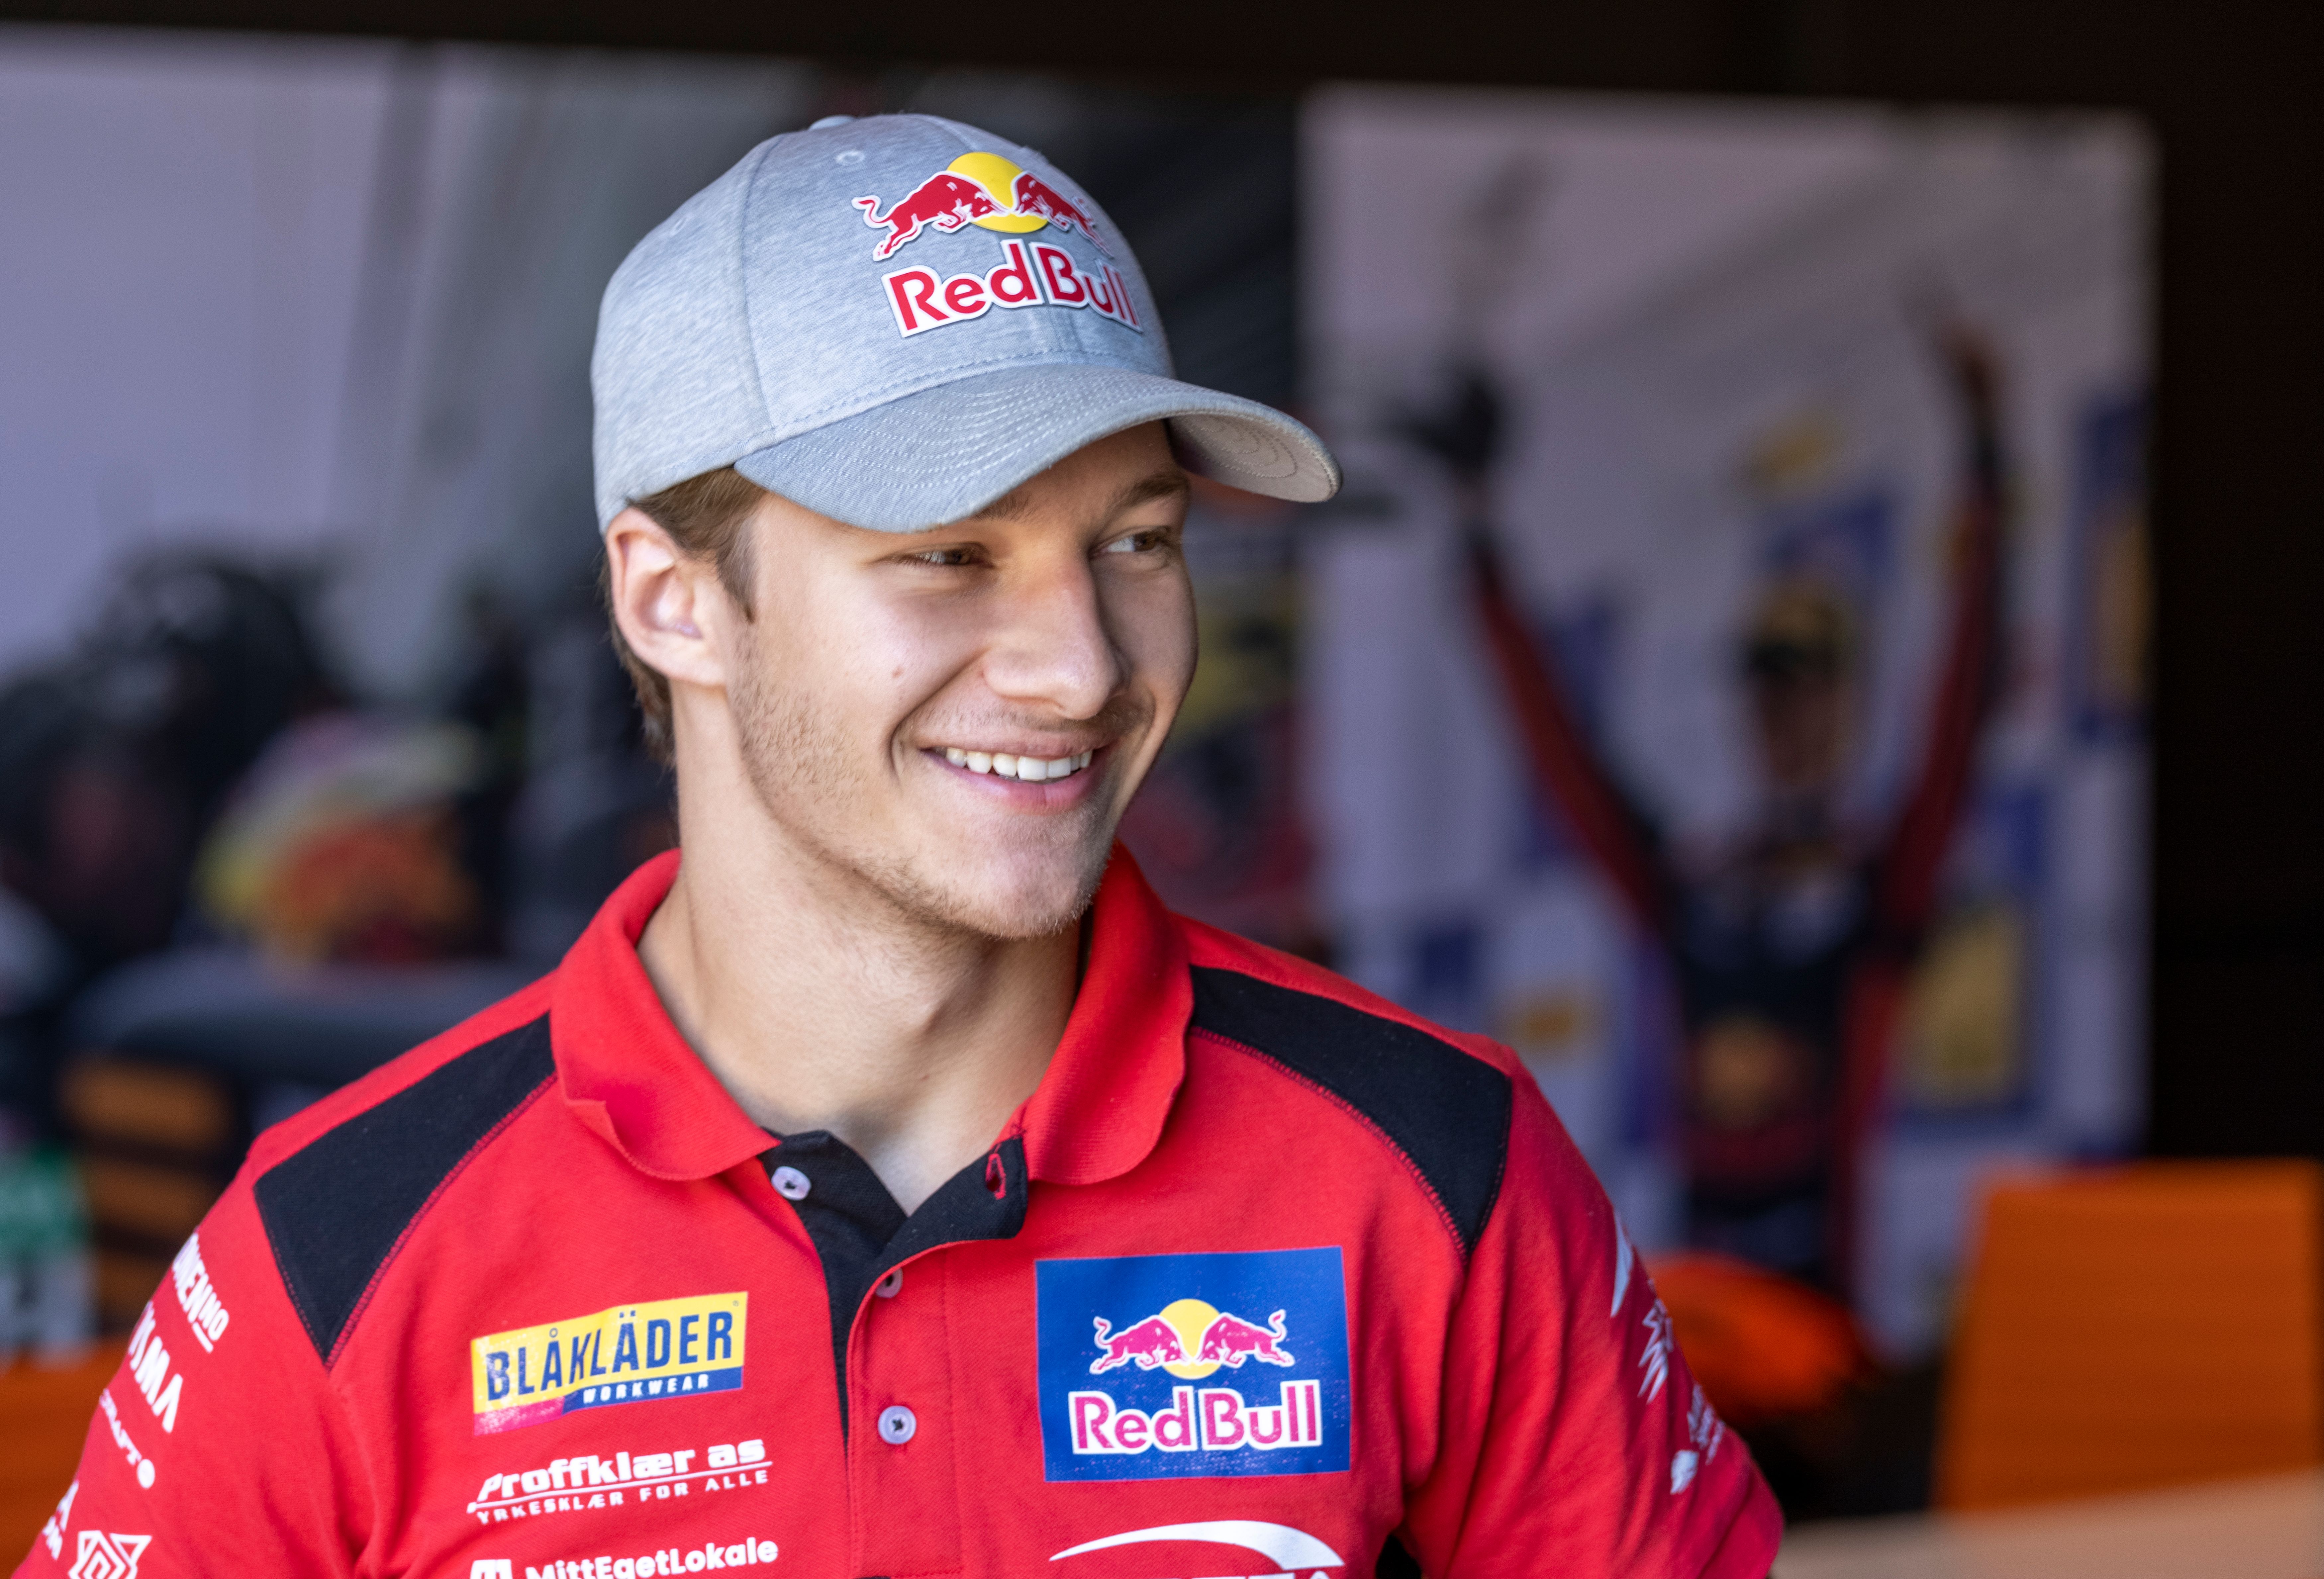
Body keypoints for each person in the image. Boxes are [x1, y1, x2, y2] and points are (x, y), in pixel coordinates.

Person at [22, 115, 1778, 1579]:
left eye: (1138, 541)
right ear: (674, 599)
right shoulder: (336, 1247)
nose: (1082, 666)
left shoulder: (1437, 1165)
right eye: (948, 553)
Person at [1434, 325, 2008, 1298]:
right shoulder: (1696, 882)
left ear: (1850, 702)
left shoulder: (1880, 883)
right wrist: (1476, 523)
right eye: (1768, 687)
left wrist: (1986, 460)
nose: (1787, 715)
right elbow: (1558, 750)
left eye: (1812, 685)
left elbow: (1964, 711)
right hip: (1700, 1320)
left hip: (1826, 1325)